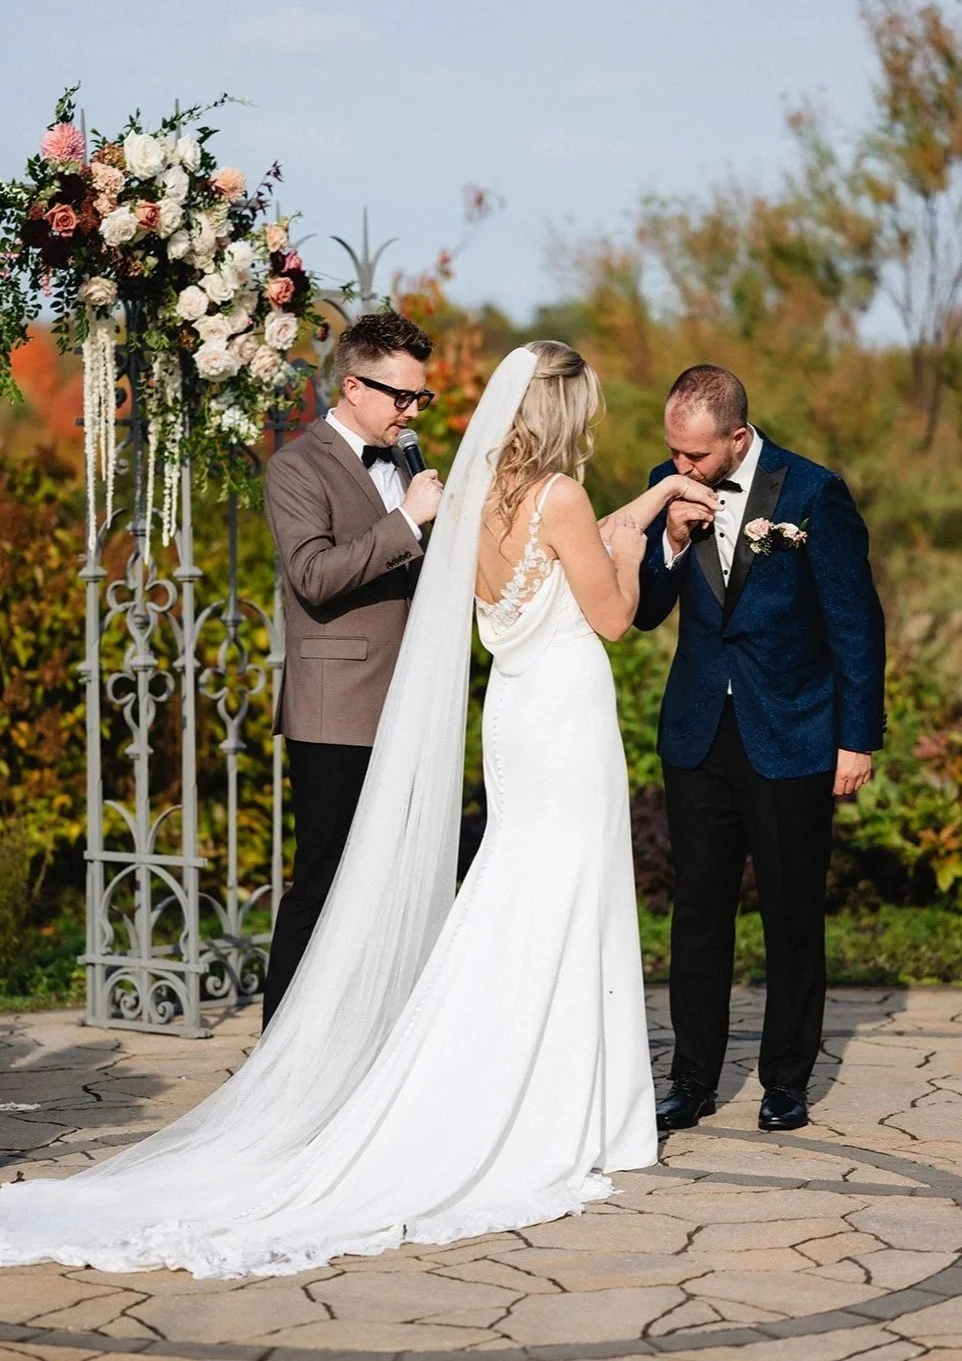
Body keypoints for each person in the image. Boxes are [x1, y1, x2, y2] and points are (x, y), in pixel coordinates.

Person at [0, 343, 711, 1280]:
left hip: (515, 713)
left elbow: (534, 558)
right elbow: (614, 615)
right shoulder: (549, 496)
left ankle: (505, 1076)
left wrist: (648, 504)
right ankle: (561, 1101)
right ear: (568, 416)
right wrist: (650, 539)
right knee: (559, 891)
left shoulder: (470, 490)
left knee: (517, 889)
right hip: (565, 716)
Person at [633, 364, 885, 1133]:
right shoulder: (665, 487)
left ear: (738, 438)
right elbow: (645, 609)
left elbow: (857, 624)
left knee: (791, 912)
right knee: (699, 914)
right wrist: (671, 541)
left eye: (696, 456)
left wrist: (856, 737)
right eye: (673, 452)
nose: (681, 467)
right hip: (699, 732)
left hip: (795, 733)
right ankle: (693, 1079)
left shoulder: (812, 492)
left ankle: (784, 1080)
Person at [262, 311, 443, 1026]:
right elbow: (313, 576)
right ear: (351, 385)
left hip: (408, 703)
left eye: (419, 397)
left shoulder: (405, 459)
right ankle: (277, 1054)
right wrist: (407, 524)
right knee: (323, 882)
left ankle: (358, 1041)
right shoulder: (295, 466)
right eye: (400, 396)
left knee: (391, 887)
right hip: (336, 709)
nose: (411, 411)